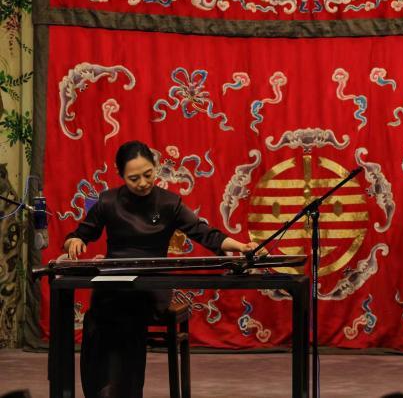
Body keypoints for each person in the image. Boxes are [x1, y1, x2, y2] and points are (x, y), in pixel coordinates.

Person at [63, 140, 260, 398]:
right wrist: (75, 241)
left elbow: (205, 233)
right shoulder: (108, 201)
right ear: (120, 174)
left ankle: (123, 392)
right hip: (113, 283)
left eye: (148, 174)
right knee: (96, 319)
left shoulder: (169, 203)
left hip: (151, 286)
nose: (143, 183)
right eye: (134, 178)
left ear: (155, 167)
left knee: (127, 314)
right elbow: (78, 235)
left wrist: (241, 246)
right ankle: (99, 390)